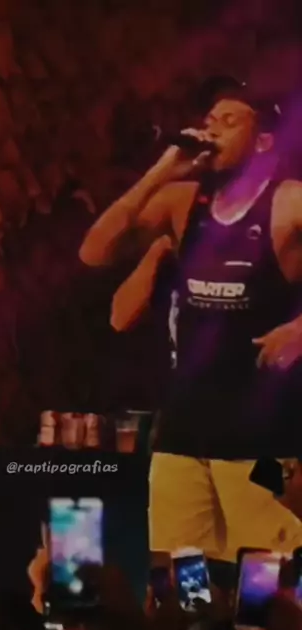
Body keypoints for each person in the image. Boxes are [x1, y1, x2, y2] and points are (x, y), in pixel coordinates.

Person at [79, 77, 302, 563]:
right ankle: (193, 620)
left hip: (262, 441)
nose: (212, 130)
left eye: (229, 121)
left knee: (261, 587)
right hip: (182, 436)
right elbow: (94, 252)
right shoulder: (183, 202)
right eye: (209, 120)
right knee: (183, 585)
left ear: (263, 141)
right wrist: (161, 172)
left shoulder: (288, 202)